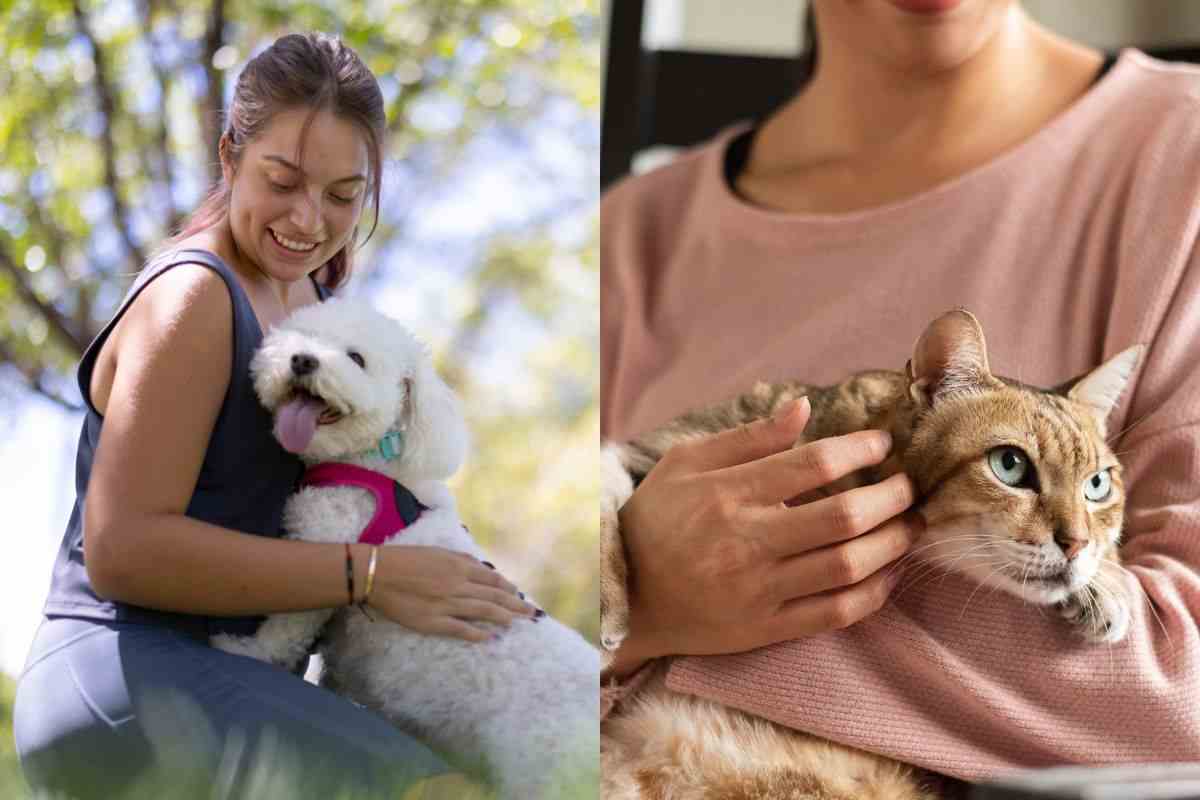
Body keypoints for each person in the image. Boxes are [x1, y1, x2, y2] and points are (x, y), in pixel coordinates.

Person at [601, 0, 1200, 784]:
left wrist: (647, 597)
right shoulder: (628, 235)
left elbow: (1181, 694)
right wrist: (638, 606)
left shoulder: (1180, 160)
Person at [13, 32, 539, 799]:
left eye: (342, 195)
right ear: (230, 155)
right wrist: (369, 575)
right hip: (129, 678)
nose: (308, 218)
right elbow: (122, 549)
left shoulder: (315, 310)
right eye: (283, 180)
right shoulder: (195, 297)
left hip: (241, 679)